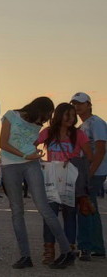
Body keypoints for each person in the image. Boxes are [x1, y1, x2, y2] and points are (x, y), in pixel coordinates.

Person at [0, 97, 74, 269]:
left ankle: (67, 252)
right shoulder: (11, 115)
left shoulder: (38, 124)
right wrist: (25, 155)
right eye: (46, 115)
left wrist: (34, 154)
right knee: (17, 211)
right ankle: (25, 256)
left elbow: (31, 142)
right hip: (11, 166)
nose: (46, 119)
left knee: (44, 208)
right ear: (38, 109)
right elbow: (3, 143)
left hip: (32, 163)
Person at [36, 102, 93, 264]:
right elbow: (32, 145)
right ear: (58, 115)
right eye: (67, 114)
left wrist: (74, 161)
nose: (71, 118)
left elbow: (89, 156)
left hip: (70, 181)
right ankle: (49, 250)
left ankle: (68, 250)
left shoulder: (79, 134)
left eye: (73, 115)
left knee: (70, 216)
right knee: (50, 216)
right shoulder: (48, 132)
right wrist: (37, 157)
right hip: (51, 181)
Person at [71, 92, 107, 261]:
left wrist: (90, 174)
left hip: (95, 171)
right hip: (87, 171)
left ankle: (85, 246)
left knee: (84, 207)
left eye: (81, 103)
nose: (77, 106)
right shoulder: (83, 125)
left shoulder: (96, 123)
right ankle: (97, 247)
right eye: (75, 104)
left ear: (89, 105)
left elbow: (100, 150)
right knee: (91, 208)